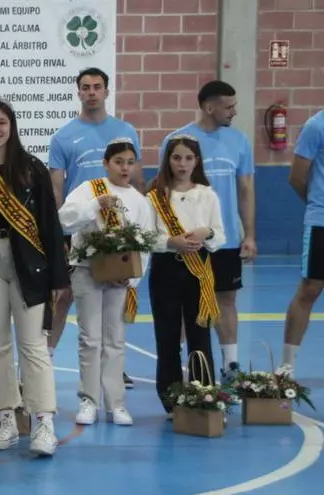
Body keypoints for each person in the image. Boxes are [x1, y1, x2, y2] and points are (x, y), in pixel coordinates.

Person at [0, 96, 68, 455]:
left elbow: (50, 226)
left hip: (29, 264)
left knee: (33, 344)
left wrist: (58, 278)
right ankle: (7, 417)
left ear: (12, 127)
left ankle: (43, 423)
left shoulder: (32, 168)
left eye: (1, 123)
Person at [48, 68, 143, 389]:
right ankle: (43, 361)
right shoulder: (63, 137)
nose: (91, 92)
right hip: (79, 230)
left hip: (117, 231)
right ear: (78, 92)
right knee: (63, 297)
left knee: (115, 295)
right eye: (85, 87)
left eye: (97, 87)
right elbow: (56, 191)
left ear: (106, 91)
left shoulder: (125, 131)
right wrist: (57, 236)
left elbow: (136, 182)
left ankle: (114, 366)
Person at [161, 81, 256, 382]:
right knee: (183, 305)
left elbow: (246, 189)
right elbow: (163, 191)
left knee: (226, 299)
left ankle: (230, 365)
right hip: (186, 242)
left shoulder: (239, 142)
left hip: (223, 239)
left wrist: (249, 234)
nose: (234, 111)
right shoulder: (177, 141)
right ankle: (179, 368)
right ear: (209, 107)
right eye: (228, 106)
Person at [58, 138, 153, 426]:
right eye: (118, 162)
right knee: (90, 338)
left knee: (115, 338)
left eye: (129, 162)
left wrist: (131, 277)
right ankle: (88, 400)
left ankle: (116, 403)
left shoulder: (139, 201)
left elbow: (144, 243)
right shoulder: (89, 190)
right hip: (87, 272)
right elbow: (63, 220)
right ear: (105, 163)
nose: (124, 168)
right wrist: (94, 206)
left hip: (119, 280)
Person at [147, 135, 224, 414]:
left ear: (197, 161)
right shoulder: (155, 197)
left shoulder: (207, 194)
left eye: (188, 158)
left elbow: (220, 235)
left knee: (200, 335)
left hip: (199, 271)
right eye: (176, 157)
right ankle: (170, 399)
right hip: (166, 269)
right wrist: (170, 242)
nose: (182, 164)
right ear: (168, 160)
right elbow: (146, 237)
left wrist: (208, 232)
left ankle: (203, 394)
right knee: (166, 336)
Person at [280, 109, 324, 376]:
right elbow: (297, 177)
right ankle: (287, 364)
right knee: (309, 290)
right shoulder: (316, 126)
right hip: (321, 222)